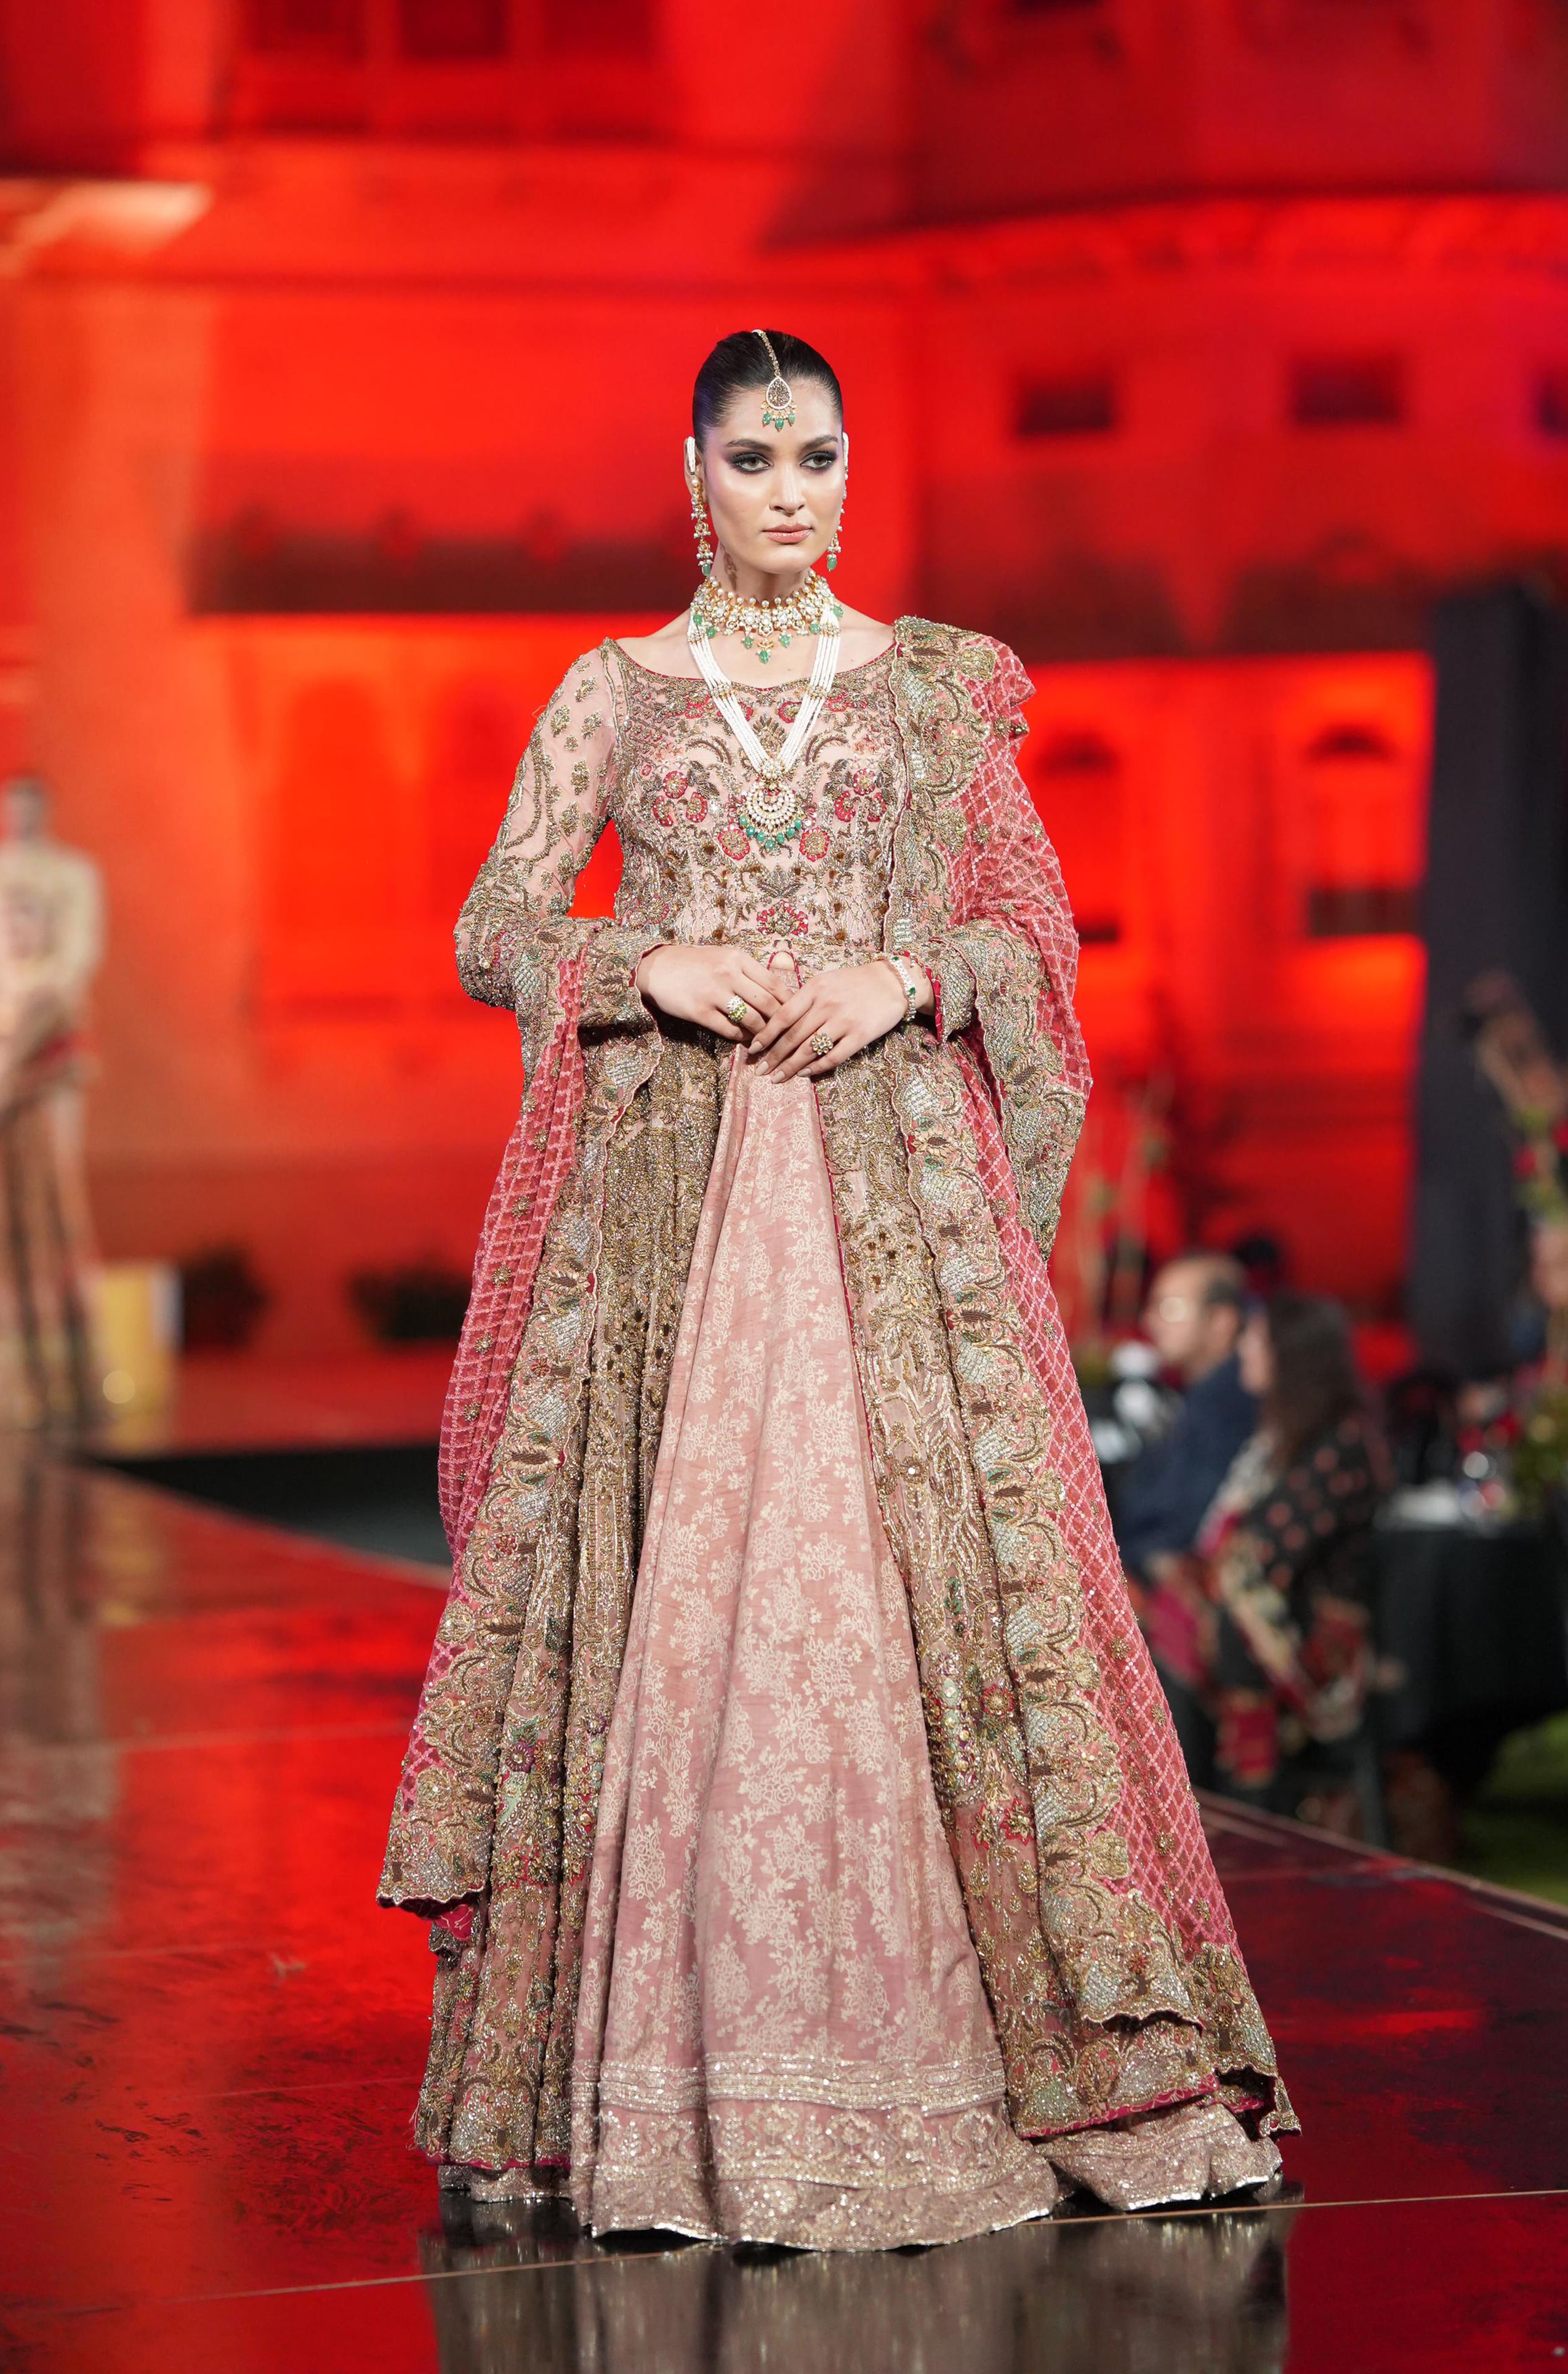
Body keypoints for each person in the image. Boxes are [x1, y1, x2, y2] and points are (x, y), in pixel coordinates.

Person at [380, 329, 1292, 2250]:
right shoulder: (615, 690)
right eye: (755, 458)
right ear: (691, 472)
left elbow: (1029, 923)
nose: (791, 492)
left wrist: (912, 975)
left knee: (902, 1596)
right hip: (670, 1217)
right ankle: (662, 2088)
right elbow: (492, 922)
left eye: (818, 458)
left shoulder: (936, 686)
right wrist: (640, 962)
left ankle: (970, 2059)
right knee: (681, 1608)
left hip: (895, 1205)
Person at [1141, 1293, 1391, 1824]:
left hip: (1313, 1633)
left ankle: (1208, 1803)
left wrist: (1200, 1580)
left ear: (1291, 1353)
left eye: (1256, 1341)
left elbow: (1264, 1554)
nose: (1245, 1351)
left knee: (1186, 1623)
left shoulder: (1344, 1441)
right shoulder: (1279, 1434)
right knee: (1164, 1613)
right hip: (1264, 1606)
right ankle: (1187, 1800)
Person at [0, 773, 103, 1428]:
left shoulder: (73, 875)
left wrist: (12, 1059)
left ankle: (60, 1375)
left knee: (51, 1209)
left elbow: (75, 962)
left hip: (44, 1066)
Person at [1116, 1253, 1257, 1574]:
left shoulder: (1228, 1405)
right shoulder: (1199, 1394)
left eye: (1169, 1309)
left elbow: (1182, 1528)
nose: (1150, 1322)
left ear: (1221, 1321)